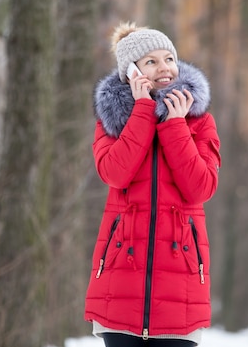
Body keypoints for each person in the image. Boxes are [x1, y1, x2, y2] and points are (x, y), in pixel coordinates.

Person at [84, 22, 222, 347]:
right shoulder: (111, 121)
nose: (165, 68)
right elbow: (115, 173)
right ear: (131, 71)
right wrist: (143, 110)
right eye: (151, 61)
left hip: (182, 286)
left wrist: (175, 125)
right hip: (120, 283)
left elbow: (201, 188)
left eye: (169, 58)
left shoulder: (199, 121)